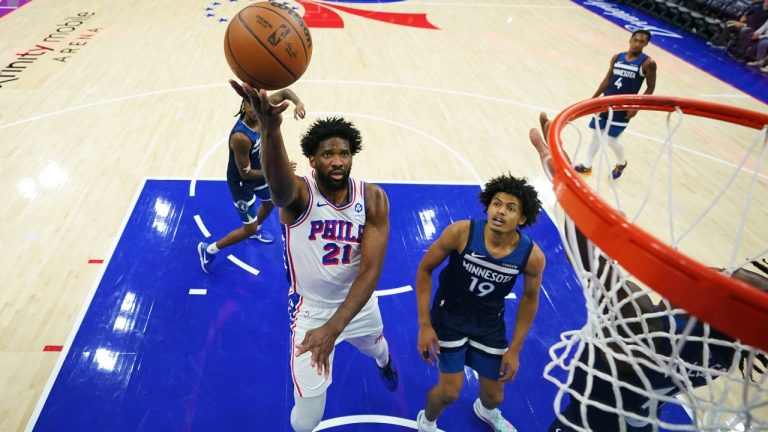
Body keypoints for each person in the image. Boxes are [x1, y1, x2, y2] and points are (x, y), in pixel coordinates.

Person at [530, 113, 768, 432]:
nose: (712, 271)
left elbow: (601, 277)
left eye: (721, 279)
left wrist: (566, 184)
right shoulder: (723, 356)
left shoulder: (648, 334)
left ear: (712, 309)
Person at [231, 80, 398, 432]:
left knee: (377, 347)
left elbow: (370, 273)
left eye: (344, 154)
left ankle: (384, 363)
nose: (337, 161)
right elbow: (278, 190)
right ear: (312, 160)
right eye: (327, 154)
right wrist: (272, 129)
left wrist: (334, 329)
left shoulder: (373, 200)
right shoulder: (301, 196)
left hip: (358, 304)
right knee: (308, 419)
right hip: (312, 311)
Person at [415, 174, 547, 432]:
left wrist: (515, 349)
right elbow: (424, 270)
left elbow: (530, 299)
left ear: (522, 219)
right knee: (449, 393)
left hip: (488, 324)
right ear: (488, 206)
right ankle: (427, 422)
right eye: (497, 203)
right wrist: (424, 324)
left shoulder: (532, 256)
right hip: (449, 317)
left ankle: (485, 411)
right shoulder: (462, 233)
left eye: (510, 208)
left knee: (495, 396)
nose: (500, 211)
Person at [197, 87, 305, 273]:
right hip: (242, 182)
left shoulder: (262, 107)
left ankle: (256, 229)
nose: (255, 111)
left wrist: (298, 103)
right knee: (248, 229)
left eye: (256, 106)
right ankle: (209, 249)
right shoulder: (241, 137)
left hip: (261, 172)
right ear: (244, 105)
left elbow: (286, 92)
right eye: (250, 107)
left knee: (270, 202)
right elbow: (246, 173)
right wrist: (278, 169)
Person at [573, 29, 657, 180]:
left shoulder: (648, 63)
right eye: (635, 40)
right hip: (605, 104)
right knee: (595, 136)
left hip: (623, 108)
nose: (637, 43)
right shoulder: (617, 57)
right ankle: (587, 166)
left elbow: (650, 88)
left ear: (646, 44)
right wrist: (594, 98)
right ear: (630, 39)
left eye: (641, 41)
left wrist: (636, 107)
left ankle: (622, 163)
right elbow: (607, 80)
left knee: (611, 140)